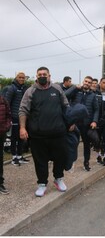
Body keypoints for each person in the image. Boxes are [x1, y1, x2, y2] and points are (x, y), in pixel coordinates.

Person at [19, 66, 69, 197]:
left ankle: (58, 179)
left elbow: (66, 106)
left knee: (60, 158)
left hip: (58, 133)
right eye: (39, 74)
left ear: (49, 76)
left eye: (44, 74)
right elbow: (23, 110)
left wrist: (71, 122)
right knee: (40, 161)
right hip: (38, 135)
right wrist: (22, 127)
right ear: (36, 76)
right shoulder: (30, 91)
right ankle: (42, 184)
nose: (42, 76)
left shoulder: (57, 89)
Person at [65, 76, 99, 171]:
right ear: (83, 81)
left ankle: (86, 162)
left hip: (86, 123)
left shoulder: (93, 95)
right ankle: (71, 162)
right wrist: (75, 87)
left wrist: (94, 121)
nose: (87, 83)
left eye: (89, 82)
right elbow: (65, 95)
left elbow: (96, 110)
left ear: (91, 84)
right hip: (74, 123)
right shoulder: (76, 92)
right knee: (73, 143)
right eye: (86, 81)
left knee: (86, 144)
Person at [6, 72, 29, 166]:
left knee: (21, 137)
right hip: (14, 117)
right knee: (14, 138)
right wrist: (9, 116)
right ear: (16, 78)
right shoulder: (12, 88)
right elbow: (7, 102)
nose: (22, 79)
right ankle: (13, 157)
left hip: (22, 117)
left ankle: (19, 156)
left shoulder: (24, 88)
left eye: (23, 78)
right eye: (20, 77)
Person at [0, 94, 11, 194]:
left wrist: (6, 127)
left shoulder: (3, 100)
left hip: (1, 133)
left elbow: (8, 115)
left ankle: (0, 183)